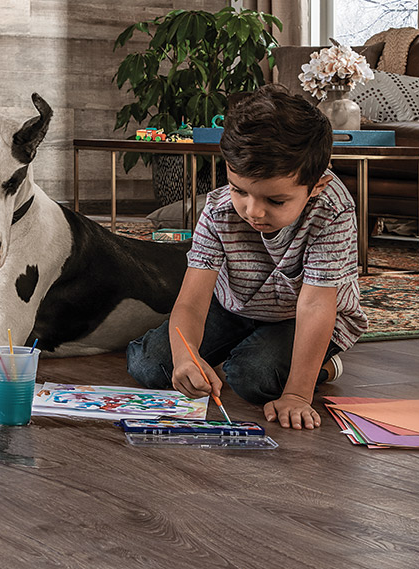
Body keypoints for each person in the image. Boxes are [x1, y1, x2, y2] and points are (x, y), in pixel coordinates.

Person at [126, 84, 367, 430]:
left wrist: (298, 395)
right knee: (151, 364)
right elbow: (193, 302)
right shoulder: (219, 210)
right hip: (235, 308)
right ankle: (238, 350)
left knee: (254, 377)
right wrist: (185, 358)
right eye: (240, 190)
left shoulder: (332, 210)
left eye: (275, 201)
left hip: (302, 317)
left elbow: (315, 306)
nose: (252, 211)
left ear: (315, 186)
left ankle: (325, 365)